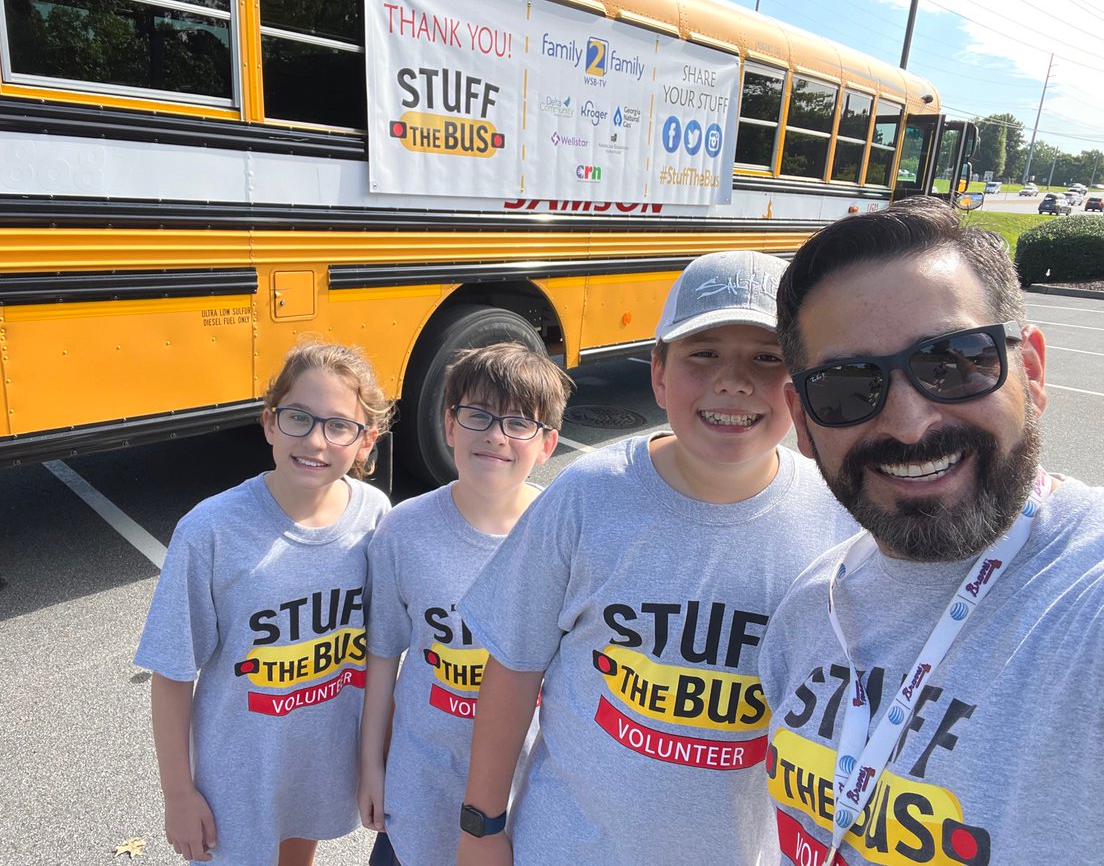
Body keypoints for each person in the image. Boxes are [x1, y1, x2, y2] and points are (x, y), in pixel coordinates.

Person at [454, 251, 858, 865]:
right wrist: (480, 827)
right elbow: (513, 665)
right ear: (659, 375)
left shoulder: (838, 521)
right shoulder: (587, 495)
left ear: (799, 385)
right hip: (569, 847)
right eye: (704, 352)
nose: (734, 380)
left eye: (768, 357)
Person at [760, 196, 1104, 865]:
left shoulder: (1086, 600)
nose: (912, 424)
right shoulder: (810, 610)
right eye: (847, 386)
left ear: (1030, 372)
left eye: (953, 361)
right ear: (803, 422)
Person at [134, 340, 393, 866]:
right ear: (271, 423)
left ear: (366, 442)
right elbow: (172, 673)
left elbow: (381, 653)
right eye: (300, 417)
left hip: (320, 761)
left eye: (339, 425)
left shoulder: (374, 516)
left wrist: (372, 762)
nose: (316, 440)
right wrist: (178, 795)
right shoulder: (211, 530)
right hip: (239, 773)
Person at [359, 342, 573, 866]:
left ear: (546, 445)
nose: (496, 434)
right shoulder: (403, 530)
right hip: (417, 785)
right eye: (478, 414)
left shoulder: (563, 534)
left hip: (520, 794)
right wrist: (370, 764)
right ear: (450, 425)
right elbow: (383, 656)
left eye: (519, 422)